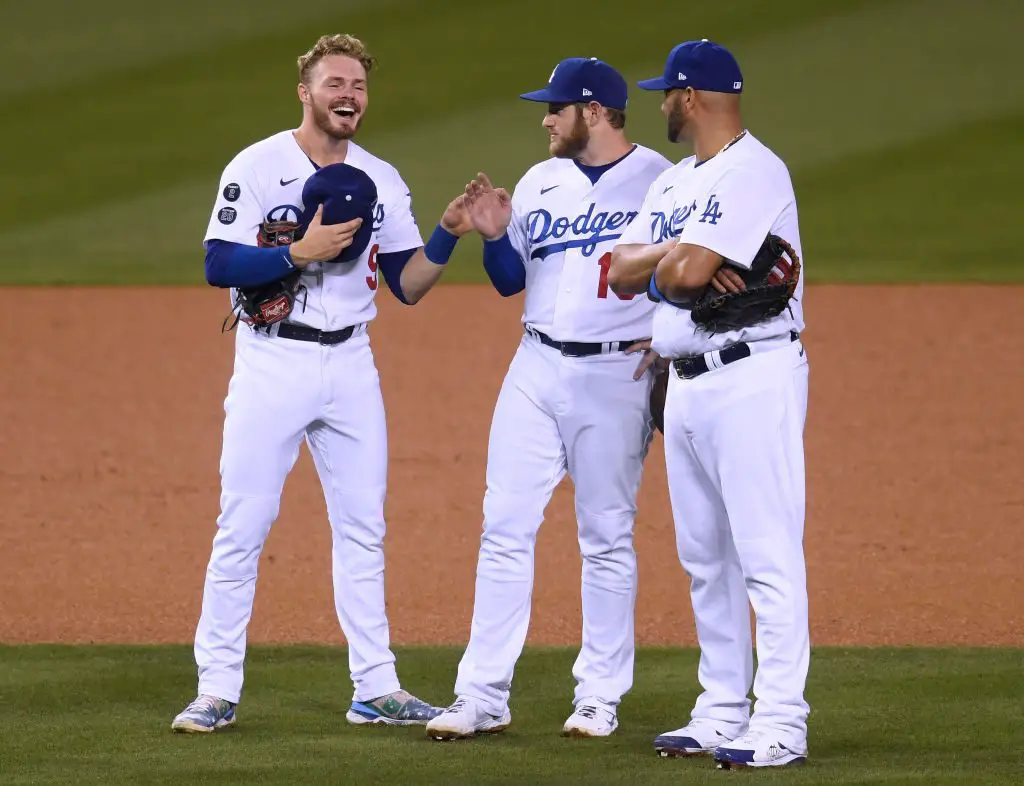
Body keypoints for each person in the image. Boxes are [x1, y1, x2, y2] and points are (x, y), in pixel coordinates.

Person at [171, 33, 473, 733]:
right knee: (242, 525)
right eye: (334, 84)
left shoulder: (382, 178)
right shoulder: (256, 165)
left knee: (364, 527)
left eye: (358, 87)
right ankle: (216, 688)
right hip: (272, 362)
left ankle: (376, 686)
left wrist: (449, 235)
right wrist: (294, 254)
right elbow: (218, 264)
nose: (348, 96)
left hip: (351, 364)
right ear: (305, 91)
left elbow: (407, 285)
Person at [424, 57, 672, 741]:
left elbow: (683, 273)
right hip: (533, 367)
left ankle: (599, 696)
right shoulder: (541, 179)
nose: (545, 118)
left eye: (554, 108)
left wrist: (668, 341)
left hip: (616, 377)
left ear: (592, 112)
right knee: (502, 527)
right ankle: (481, 694)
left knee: (606, 538)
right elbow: (510, 283)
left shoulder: (660, 181)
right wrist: (497, 233)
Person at [609, 39, 811, 768]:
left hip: (751, 378)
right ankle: (723, 709)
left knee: (765, 554)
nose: (660, 102)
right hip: (685, 386)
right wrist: (679, 265)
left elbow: (683, 270)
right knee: (705, 558)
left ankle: (782, 721)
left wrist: (675, 264)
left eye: (665, 92)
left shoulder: (755, 171)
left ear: (689, 98)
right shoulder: (673, 185)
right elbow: (620, 272)